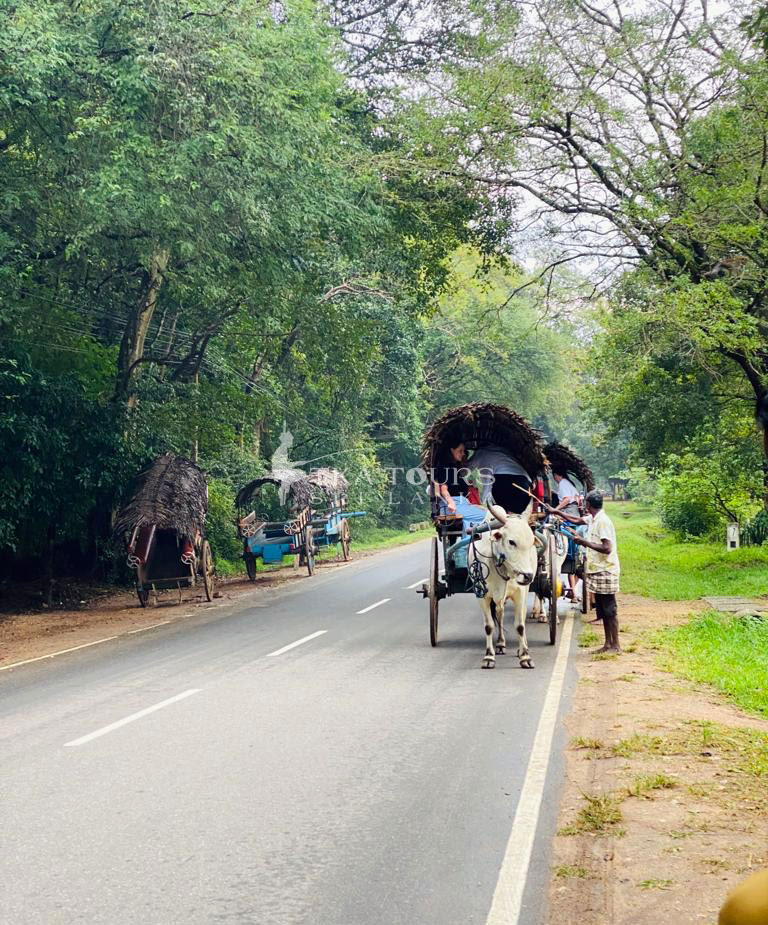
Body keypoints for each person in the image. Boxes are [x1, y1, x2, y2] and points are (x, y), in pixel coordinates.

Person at [561, 490, 621, 653]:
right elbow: (578, 520)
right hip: (597, 570)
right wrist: (557, 512)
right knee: (602, 608)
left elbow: (607, 548)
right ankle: (608, 644)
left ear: (588, 505)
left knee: (610, 609)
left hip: (606, 570)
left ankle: (615, 645)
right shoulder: (593, 518)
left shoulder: (602, 522)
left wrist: (583, 542)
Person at [432, 442, 486, 533]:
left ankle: (469, 539)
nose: (463, 453)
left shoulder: (455, 469)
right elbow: (443, 489)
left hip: (461, 504)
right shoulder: (446, 468)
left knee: (485, 511)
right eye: (460, 451)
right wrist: (450, 502)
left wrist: (471, 505)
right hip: (452, 507)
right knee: (485, 516)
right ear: (452, 450)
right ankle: (466, 544)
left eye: (463, 451)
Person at [466, 443, 533, 514]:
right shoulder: (503, 451)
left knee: (500, 512)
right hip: (527, 486)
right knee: (516, 513)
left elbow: (486, 482)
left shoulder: (481, 453)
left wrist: (484, 503)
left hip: (506, 482)